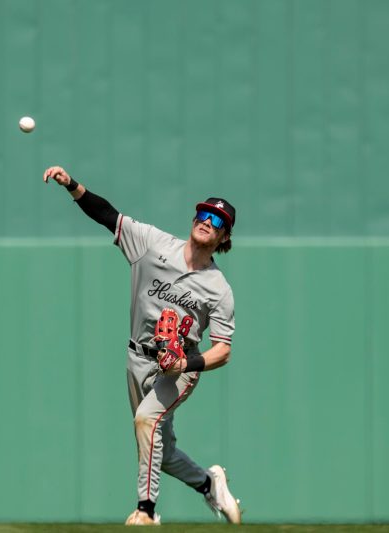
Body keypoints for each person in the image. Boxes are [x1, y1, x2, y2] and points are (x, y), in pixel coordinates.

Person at [43, 166, 242, 526]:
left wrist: (185, 366)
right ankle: (209, 484)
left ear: (224, 236)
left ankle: (146, 511)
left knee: (145, 420)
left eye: (217, 220)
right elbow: (108, 216)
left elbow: (223, 350)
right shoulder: (152, 244)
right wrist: (71, 185)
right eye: (203, 213)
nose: (207, 221)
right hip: (137, 358)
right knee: (158, 451)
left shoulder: (219, 288)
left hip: (177, 370)